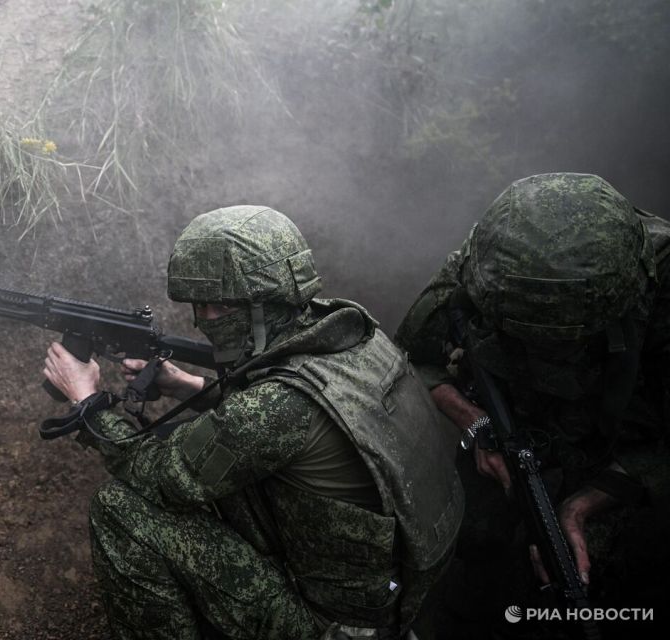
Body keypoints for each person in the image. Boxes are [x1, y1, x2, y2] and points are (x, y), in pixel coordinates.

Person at [43, 205, 463, 640]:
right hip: (390, 591)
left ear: (262, 303)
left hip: (334, 627)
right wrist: (189, 386)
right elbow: (285, 419)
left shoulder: (280, 405)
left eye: (216, 306)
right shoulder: (354, 337)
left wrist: (87, 402)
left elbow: (154, 474)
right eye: (198, 305)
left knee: (120, 509)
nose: (201, 319)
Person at [395, 173, 670, 636]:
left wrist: (581, 506)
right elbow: (415, 361)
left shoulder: (658, 287)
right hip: (504, 436)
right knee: (475, 561)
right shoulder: (484, 268)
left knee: (611, 579)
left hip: (624, 452)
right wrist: (477, 426)